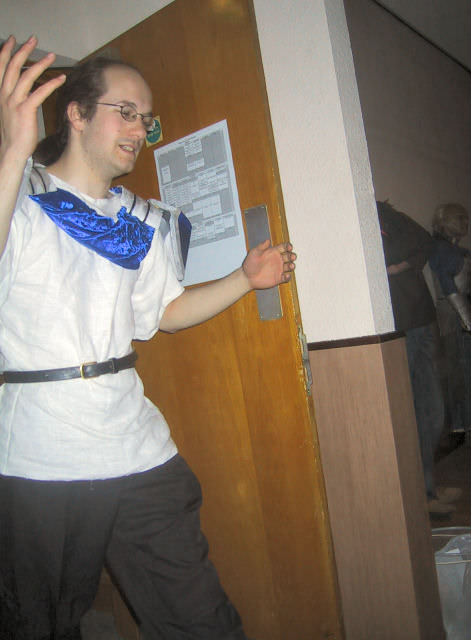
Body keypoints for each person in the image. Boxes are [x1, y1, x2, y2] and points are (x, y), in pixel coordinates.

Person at [0, 36, 296, 640]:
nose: (140, 129)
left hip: (136, 445)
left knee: (199, 617)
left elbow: (164, 313)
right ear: (77, 114)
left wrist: (243, 279)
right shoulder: (21, 199)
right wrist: (14, 148)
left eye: (146, 119)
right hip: (40, 456)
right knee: (38, 624)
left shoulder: (142, 221)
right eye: (125, 112)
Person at [376, 200, 461, 516]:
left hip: (422, 320)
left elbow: (424, 242)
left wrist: (400, 266)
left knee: (433, 411)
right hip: (400, 328)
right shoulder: (359, 220)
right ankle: (422, 493)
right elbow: (384, 255)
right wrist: (402, 260)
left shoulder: (388, 214)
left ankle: (428, 486)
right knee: (418, 412)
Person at [429, 203, 471, 444]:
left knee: (466, 369)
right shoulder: (442, 250)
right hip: (455, 317)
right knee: (465, 369)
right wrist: (468, 322)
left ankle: (468, 423)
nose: (465, 223)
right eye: (460, 219)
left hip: (460, 313)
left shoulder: (447, 248)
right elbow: (450, 288)